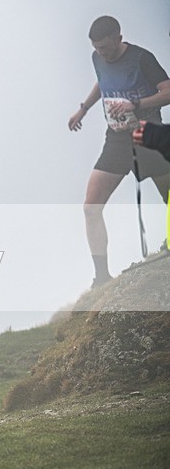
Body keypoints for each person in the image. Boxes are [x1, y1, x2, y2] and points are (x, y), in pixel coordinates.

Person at [67, 16, 170, 286]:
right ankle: (101, 276)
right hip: (116, 138)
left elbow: (168, 91)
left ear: (118, 38)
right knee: (91, 208)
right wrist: (83, 108)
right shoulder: (97, 57)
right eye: (97, 48)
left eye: (105, 47)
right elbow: (102, 81)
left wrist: (135, 104)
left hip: (148, 133)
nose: (101, 53)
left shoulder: (142, 58)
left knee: (169, 196)